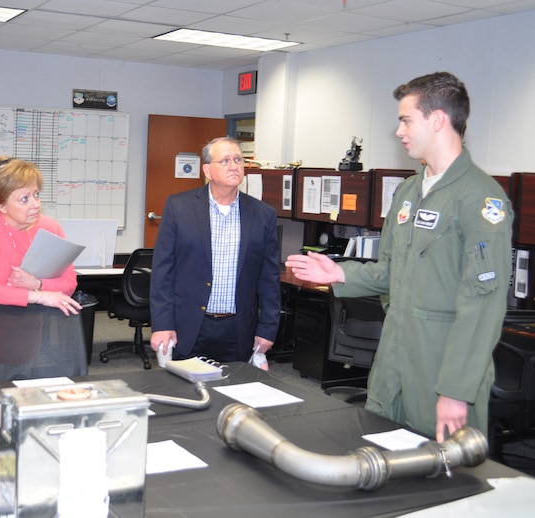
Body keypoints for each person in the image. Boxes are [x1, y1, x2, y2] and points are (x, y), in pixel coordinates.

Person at [285, 72, 513, 442]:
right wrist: (341, 274)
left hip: (442, 364)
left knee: (445, 476)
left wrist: (456, 388)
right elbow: (392, 271)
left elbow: (483, 305)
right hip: (393, 352)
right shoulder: (409, 190)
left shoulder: (480, 198)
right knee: (380, 449)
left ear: (437, 119)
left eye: (406, 119)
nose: (399, 131)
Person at [149, 137, 281, 363]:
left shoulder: (263, 215)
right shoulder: (179, 207)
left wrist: (267, 328)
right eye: (226, 161)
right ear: (207, 170)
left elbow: (269, 278)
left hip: (238, 329)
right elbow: (163, 272)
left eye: (238, 160)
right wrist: (162, 324)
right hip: (189, 325)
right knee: (185, 393)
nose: (234, 166)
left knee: (235, 393)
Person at [0, 157, 82, 379]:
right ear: (0, 204)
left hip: (26, 343)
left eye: (36, 195)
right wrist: (41, 296)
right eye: (24, 199)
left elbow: (69, 283)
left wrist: (38, 284)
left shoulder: (49, 227)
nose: (35, 204)